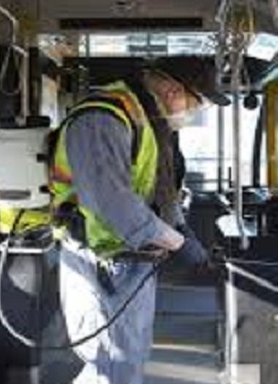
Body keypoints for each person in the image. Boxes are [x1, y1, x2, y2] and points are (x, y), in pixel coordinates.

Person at [47, 56, 230, 384]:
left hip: (133, 258)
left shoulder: (148, 119)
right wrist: (177, 242)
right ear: (174, 92)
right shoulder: (101, 119)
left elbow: (161, 188)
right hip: (101, 259)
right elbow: (111, 202)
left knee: (129, 358)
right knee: (111, 364)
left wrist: (183, 234)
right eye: (196, 105)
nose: (193, 114)